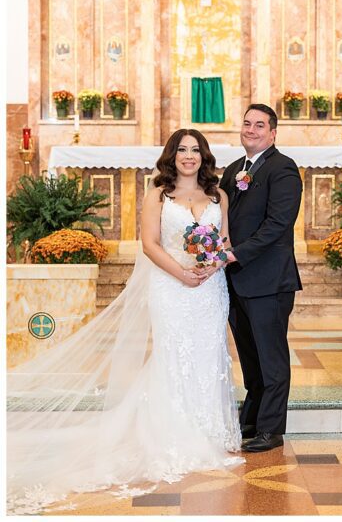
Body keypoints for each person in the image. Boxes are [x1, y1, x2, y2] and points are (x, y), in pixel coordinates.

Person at [7, 129, 243, 514]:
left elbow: (226, 240)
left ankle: (208, 429)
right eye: (182, 150)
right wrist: (182, 274)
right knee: (173, 354)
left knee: (209, 354)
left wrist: (214, 261)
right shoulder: (158, 195)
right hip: (172, 287)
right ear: (172, 155)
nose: (189, 156)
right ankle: (173, 433)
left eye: (195, 151)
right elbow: (149, 244)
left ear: (204, 156)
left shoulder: (219, 196)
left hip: (209, 288)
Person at [220, 105, 303, 452]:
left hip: (268, 281)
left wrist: (237, 252)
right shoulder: (233, 170)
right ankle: (251, 420)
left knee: (271, 359)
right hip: (235, 280)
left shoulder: (282, 168)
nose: (251, 130)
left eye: (259, 125)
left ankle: (271, 430)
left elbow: (278, 224)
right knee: (250, 358)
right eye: (247, 123)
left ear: (273, 133)